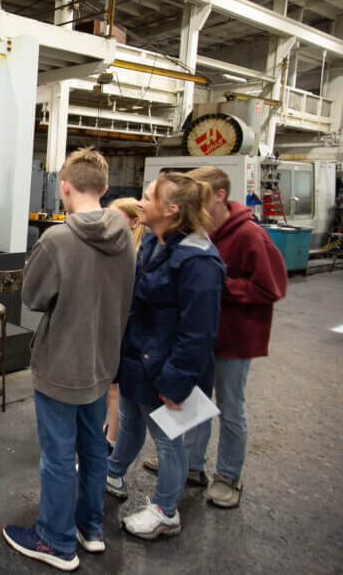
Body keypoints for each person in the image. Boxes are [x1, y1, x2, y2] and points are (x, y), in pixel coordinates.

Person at [2, 148, 136, 571]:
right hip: (102, 362)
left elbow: (33, 297)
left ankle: (55, 541)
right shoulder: (127, 238)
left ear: (64, 187)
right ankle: (89, 528)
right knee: (94, 448)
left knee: (59, 455)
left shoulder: (57, 240)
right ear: (106, 188)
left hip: (61, 365)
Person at [145, 167, 285, 509]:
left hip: (234, 338)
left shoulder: (251, 236)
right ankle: (192, 466)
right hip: (200, 335)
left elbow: (272, 287)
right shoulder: (198, 230)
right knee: (194, 401)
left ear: (219, 195)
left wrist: (219, 285)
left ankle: (228, 476)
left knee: (230, 407)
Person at [105, 173, 225, 539]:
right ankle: (113, 472)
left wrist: (175, 382)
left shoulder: (198, 261)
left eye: (148, 195)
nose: (140, 200)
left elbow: (199, 333)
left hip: (165, 369)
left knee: (168, 440)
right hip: (140, 360)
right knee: (130, 419)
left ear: (171, 209)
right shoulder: (157, 242)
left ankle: (166, 509)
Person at [103, 198, 147, 453]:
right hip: (114, 324)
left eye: (116, 218)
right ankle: (109, 431)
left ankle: (111, 438)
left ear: (133, 221)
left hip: (126, 327)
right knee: (111, 387)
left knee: (115, 389)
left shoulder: (137, 251)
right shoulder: (118, 246)